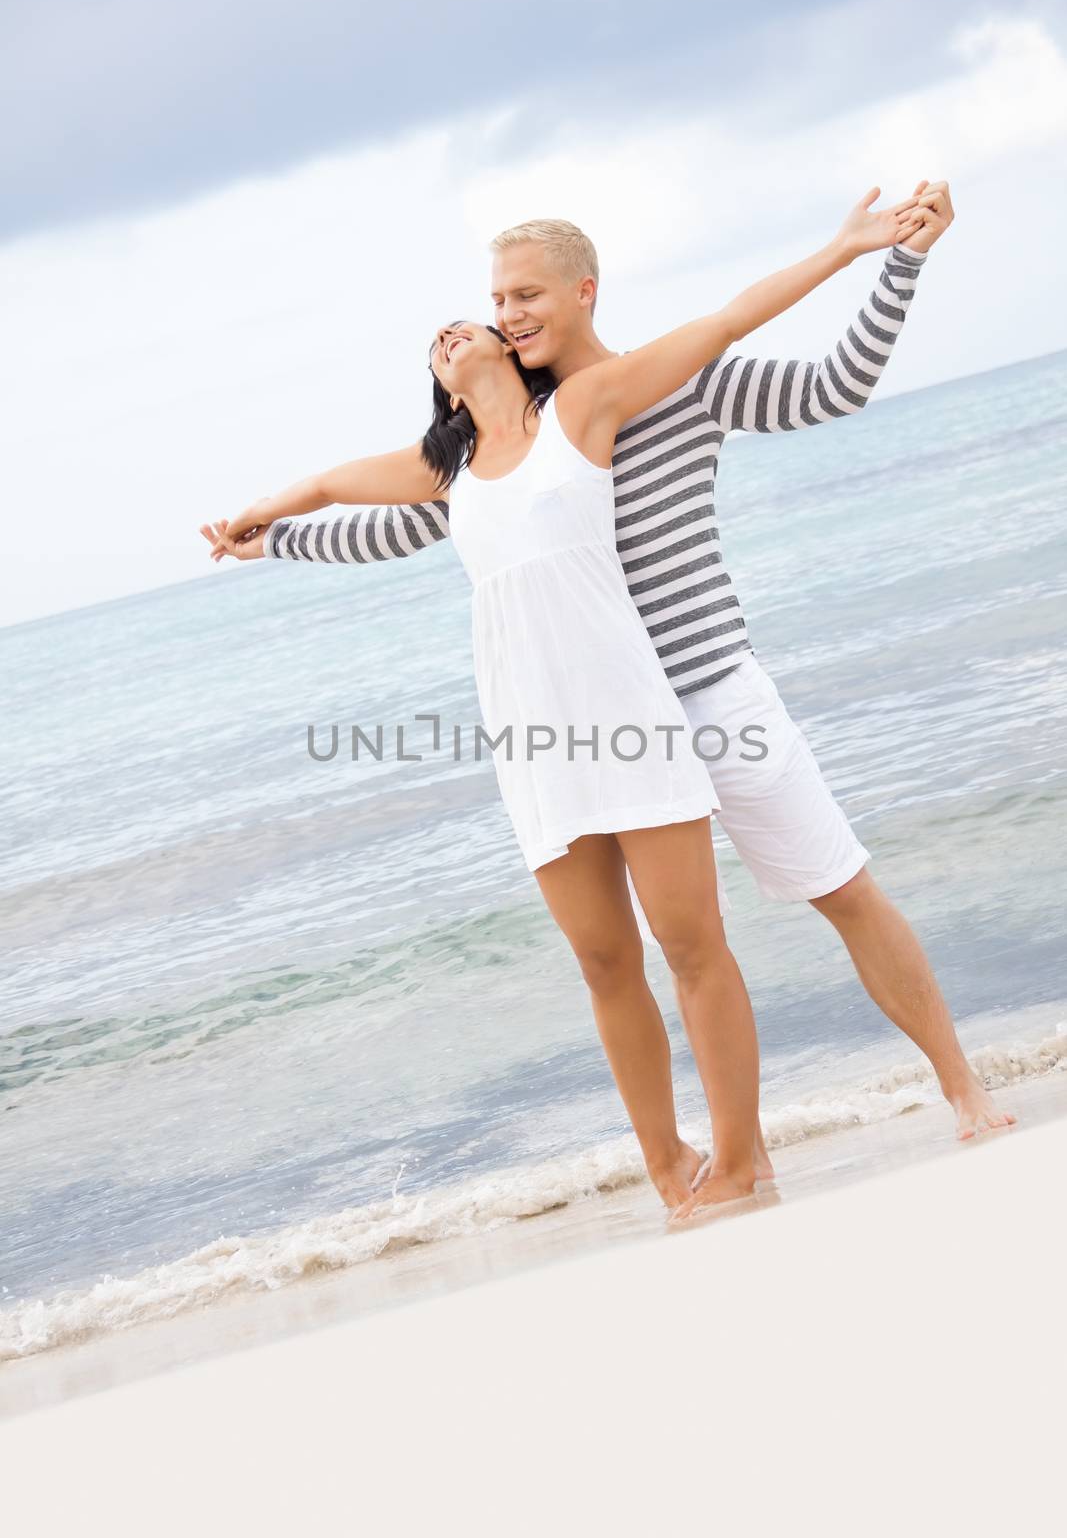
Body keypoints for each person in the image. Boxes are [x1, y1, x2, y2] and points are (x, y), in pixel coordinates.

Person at [203, 184, 1015, 1221]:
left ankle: (960, 1084)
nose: (505, 315)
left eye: (524, 294)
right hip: (595, 728)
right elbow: (404, 523)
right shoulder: (502, 442)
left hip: (710, 686)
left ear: (582, 291)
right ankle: (730, 1157)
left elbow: (837, 382)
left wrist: (891, 260)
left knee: (837, 890)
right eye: (495, 299)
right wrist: (269, 537)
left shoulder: (674, 388)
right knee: (636, 951)